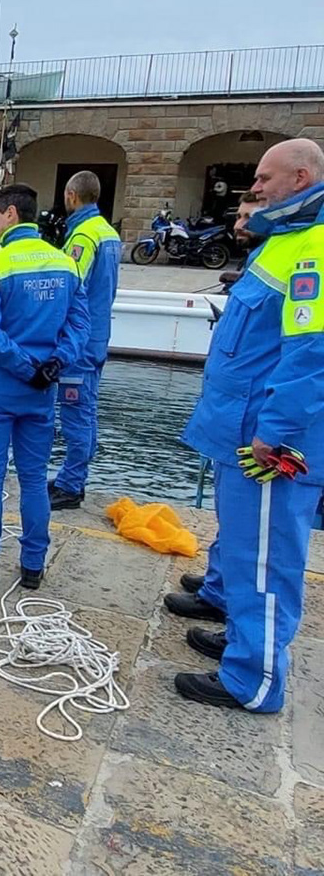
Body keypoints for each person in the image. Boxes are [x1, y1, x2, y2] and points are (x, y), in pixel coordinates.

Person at [171, 138, 324, 712]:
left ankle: (252, 679)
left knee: (265, 558)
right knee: (244, 548)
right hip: (241, 427)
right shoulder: (285, 243)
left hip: (268, 440)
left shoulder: (313, 249)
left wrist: (275, 432)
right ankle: (242, 635)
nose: (254, 188)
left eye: (264, 178)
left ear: (301, 177)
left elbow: (312, 354)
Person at [0, 184, 89, 593]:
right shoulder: (66, 264)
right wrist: (54, 364)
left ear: (11, 214)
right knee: (33, 479)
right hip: (41, 392)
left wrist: (24, 366)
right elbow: (81, 325)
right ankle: (33, 564)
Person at [166, 192, 264, 624]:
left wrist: (275, 429)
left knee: (253, 535)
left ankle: (244, 653)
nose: (239, 222)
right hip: (234, 416)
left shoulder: (295, 259)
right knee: (232, 515)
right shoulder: (262, 260)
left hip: (255, 423)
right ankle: (219, 587)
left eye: (247, 215)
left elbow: (302, 358)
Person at [50, 171, 122, 510]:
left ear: (70, 195)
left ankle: (71, 483)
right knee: (86, 410)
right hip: (98, 335)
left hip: (80, 340)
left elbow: (70, 283)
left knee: (76, 412)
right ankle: (73, 476)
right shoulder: (108, 232)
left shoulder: (83, 236)